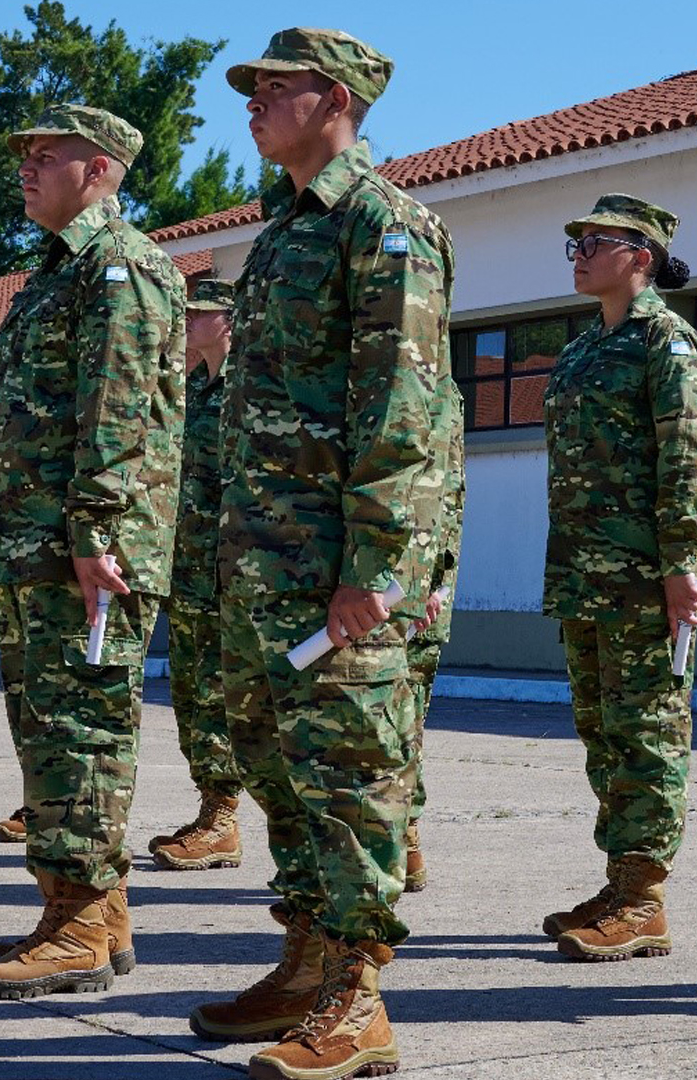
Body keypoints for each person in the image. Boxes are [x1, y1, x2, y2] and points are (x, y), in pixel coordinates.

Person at [188, 29, 453, 1080]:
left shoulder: (384, 224)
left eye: (274, 87)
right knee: (276, 766)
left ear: (335, 99)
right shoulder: (283, 233)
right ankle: (304, 963)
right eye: (250, 88)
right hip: (263, 563)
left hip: (335, 570)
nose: (252, 102)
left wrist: (374, 569)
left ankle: (358, 997)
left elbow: (403, 408)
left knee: (350, 776)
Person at [0, 104, 184, 1000]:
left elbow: (119, 409)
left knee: (81, 735)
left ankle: (80, 924)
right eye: (25, 153)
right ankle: (89, 908)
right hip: (39, 549)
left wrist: (94, 532)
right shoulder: (57, 270)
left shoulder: (120, 265)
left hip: (87, 552)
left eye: (45, 154)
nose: (26, 167)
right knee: (48, 735)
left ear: (98, 170)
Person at [540, 194, 697, 961]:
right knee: (603, 735)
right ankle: (620, 883)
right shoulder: (584, 349)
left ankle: (644, 900)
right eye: (574, 243)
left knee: (648, 735)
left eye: (594, 242)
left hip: (645, 580)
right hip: (583, 576)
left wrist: (683, 565)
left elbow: (688, 461)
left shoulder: (666, 344)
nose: (579, 255)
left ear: (640, 257)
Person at [150, 277, 245, 872]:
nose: (186, 319)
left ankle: (224, 818)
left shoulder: (247, 389)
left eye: (199, 312)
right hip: (187, 569)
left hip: (228, 570)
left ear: (229, 320)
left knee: (223, 693)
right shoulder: (193, 389)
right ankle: (214, 810)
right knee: (191, 692)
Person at [403, 368, 465, 893]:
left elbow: (445, 494)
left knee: (400, 725)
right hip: (372, 587)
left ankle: (404, 841)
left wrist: (430, 584)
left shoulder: (435, 388)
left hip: (410, 594)